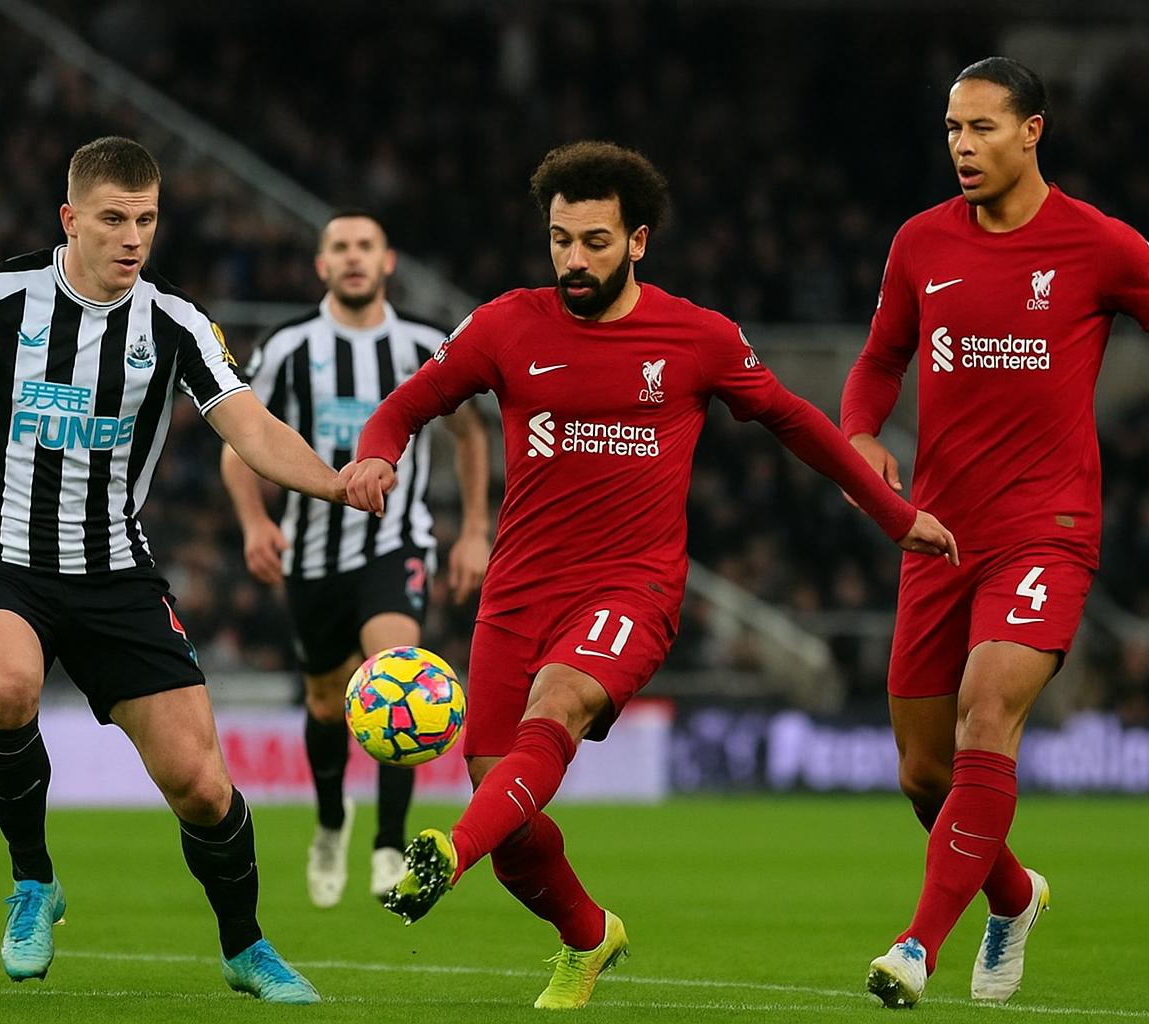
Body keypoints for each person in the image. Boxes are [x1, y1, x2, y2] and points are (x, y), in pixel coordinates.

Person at [341, 140, 960, 1009]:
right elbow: (406, 406)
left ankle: (446, 854)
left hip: (631, 588)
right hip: (517, 592)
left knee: (554, 706)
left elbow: (797, 423)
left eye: (594, 241)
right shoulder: (506, 325)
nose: (573, 260)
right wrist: (376, 455)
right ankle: (589, 937)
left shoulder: (696, 337)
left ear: (638, 241)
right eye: (559, 239)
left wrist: (895, 516)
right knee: (504, 798)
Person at [0, 136, 346, 1004]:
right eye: (113, 220)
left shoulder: (174, 322)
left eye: (147, 220)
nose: (133, 238)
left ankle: (246, 948)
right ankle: (33, 882)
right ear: (71, 219)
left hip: (115, 573)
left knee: (203, 785)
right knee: (9, 687)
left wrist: (336, 481)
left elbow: (251, 427)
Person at [840, 58, 1149, 1009]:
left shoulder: (1098, 244)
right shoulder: (919, 244)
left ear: (1033, 131)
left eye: (983, 127)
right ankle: (1015, 894)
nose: (961, 145)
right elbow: (878, 360)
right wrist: (861, 433)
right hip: (940, 534)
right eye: (952, 127)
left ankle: (917, 945)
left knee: (986, 709)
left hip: (1049, 529)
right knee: (922, 770)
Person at [221, 209, 491, 908]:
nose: (352, 258)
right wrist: (254, 522)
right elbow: (237, 442)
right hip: (312, 553)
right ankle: (333, 822)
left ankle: (388, 842)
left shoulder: (427, 345)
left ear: (387, 261)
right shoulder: (287, 346)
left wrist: (472, 530)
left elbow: (469, 437)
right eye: (339, 247)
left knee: (396, 675)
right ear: (321, 265)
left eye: (364, 246)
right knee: (323, 700)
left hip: (395, 544)